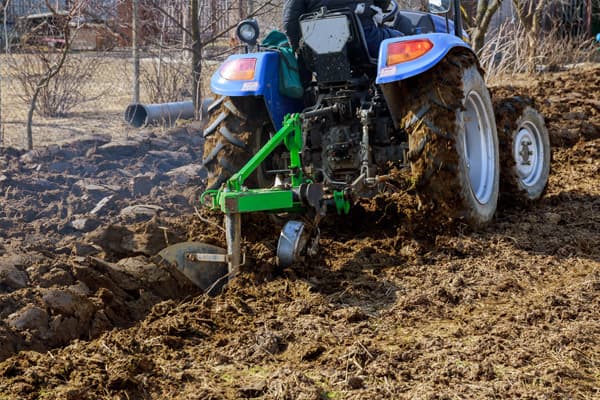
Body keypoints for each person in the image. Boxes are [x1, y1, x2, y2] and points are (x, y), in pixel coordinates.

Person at [282, 0, 403, 59]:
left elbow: (290, 23)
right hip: (365, 42)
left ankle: (307, 96)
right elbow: (382, 4)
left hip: (320, 48)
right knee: (403, 40)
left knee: (303, 57)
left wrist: (297, 50)